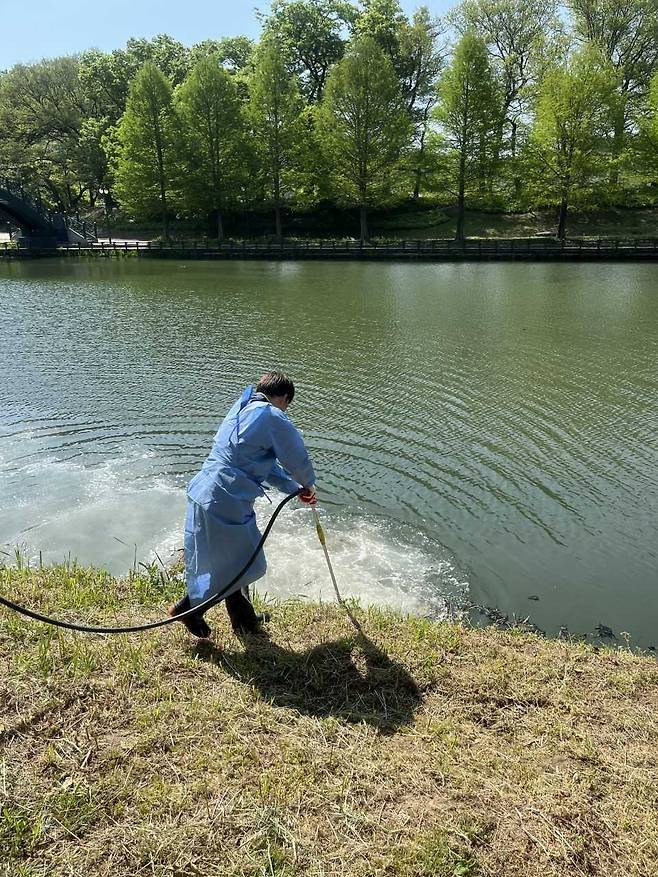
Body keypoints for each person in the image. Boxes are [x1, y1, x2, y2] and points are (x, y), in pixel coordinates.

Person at [168, 371, 317, 638]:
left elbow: (264, 464)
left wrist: (294, 489)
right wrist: (308, 484)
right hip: (226, 498)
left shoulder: (241, 408)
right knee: (248, 563)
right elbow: (296, 458)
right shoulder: (272, 415)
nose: (285, 410)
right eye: (286, 405)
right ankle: (189, 608)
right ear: (284, 398)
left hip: (204, 491)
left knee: (231, 561)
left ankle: (243, 619)